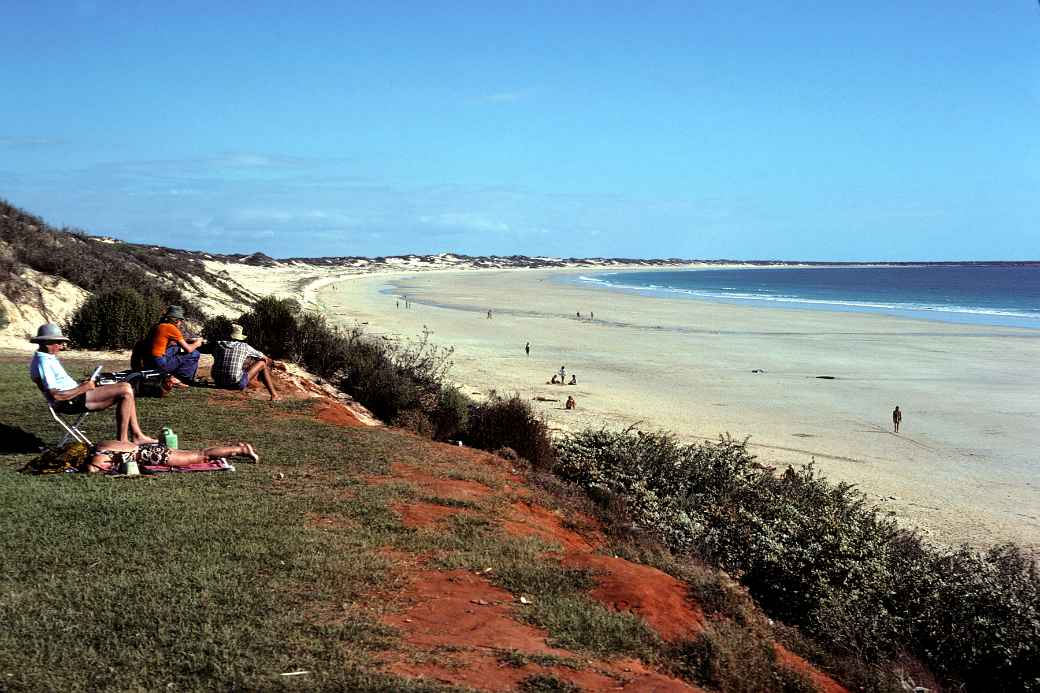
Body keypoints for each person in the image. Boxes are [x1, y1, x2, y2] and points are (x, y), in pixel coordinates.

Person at [28, 323, 157, 444]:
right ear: (47, 342)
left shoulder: (46, 358)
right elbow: (56, 396)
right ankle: (122, 441)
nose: (62, 346)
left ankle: (136, 436)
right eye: (59, 342)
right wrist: (83, 387)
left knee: (127, 388)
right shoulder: (43, 362)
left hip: (75, 396)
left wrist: (82, 385)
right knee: (125, 390)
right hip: (70, 402)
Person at [83, 439, 259, 474]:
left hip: (151, 456)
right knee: (199, 453)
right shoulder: (101, 445)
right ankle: (237, 449)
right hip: (149, 450)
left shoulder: (96, 457)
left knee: (201, 456)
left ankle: (241, 450)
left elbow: (92, 470)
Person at [211, 324, 280, 400]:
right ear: (240, 337)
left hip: (218, 382)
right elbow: (264, 358)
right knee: (262, 363)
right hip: (237, 385)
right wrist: (274, 364)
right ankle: (274, 395)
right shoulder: (245, 346)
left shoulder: (218, 344)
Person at [146, 306, 203, 385]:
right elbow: (188, 349)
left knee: (175, 348)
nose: (181, 323)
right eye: (180, 321)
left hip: (148, 361)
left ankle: (173, 375)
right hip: (158, 363)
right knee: (194, 353)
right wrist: (197, 343)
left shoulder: (158, 326)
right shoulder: (171, 328)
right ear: (176, 320)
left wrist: (187, 341)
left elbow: (165, 341)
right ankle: (181, 379)